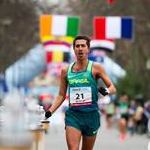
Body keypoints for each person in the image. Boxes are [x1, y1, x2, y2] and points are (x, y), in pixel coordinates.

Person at [45, 35, 116, 150]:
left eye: (83, 46)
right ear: (74, 49)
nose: (80, 48)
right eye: (77, 46)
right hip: (74, 115)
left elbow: (113, 88)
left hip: (91, 115)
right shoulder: (65, 70)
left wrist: (107, 91)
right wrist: (49, 112)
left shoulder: (96, 68)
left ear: (88, 49)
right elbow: (61, 95)